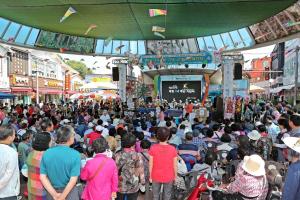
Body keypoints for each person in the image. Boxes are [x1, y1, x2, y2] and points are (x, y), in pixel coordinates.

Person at [40, 125, 81, 200]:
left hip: (51, 192)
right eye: (73, 135)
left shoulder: (47, 153)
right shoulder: (75, 154)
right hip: (70, 192)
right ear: (69, 138)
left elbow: (43, 177)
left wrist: (54, 194)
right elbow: (73, 180)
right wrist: (62, 197)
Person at [149, 127, 177, 200]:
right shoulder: (173, 149)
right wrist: (175, 176)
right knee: (167, 195)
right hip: (169, 175)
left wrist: (150, 176)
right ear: (168, 137)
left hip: (155, 175)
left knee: (155, 196)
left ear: (157, 136)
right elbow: (175, 165)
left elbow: (150, 164)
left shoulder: (153, 148)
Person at [115, 134, 145, 200]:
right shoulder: (138, 155)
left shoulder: (117, 155)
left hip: (120, 185)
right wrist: (142, 182)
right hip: (133, 185)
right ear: (133, 144)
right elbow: (141, 171)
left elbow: (114, 171)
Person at [27, 133, 51, 200]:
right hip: (42, 191)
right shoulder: (46, 157)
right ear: (47, 143)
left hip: (31, 188)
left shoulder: (31, 154)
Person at [0, 125, 20, 200]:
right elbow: (8, 174)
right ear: (9, 137)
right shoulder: (11, 152)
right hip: (7, 192)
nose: (15, 137)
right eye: (14, 135)